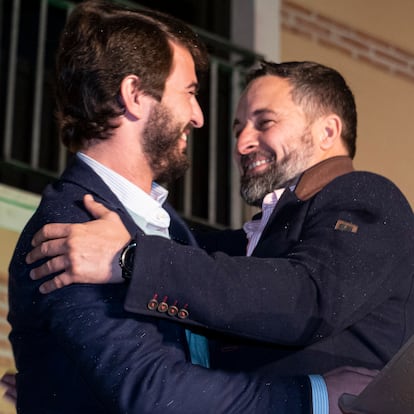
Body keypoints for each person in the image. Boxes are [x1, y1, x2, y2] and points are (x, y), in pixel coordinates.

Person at [6, 1, 375, 413]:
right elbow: (154, 391)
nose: (199, 117)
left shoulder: (166, 232)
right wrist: (316, 395)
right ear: (134, 95)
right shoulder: (73, 227)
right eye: (190, 92)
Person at [28, 58, 414, 380]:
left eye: (264, 123)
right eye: (238, 128)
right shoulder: (241, 247)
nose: (242, 143)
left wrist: (132, 258)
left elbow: (307, 299)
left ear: (328, 131)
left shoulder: (365, 196)